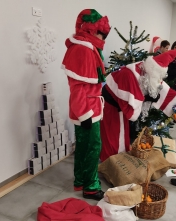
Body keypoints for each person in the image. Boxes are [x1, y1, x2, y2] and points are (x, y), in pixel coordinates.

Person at [100, 50, 176, 162]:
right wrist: (147, 98)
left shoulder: (148, 70)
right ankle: (110, 165)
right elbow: (131, 107)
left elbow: (163, 89)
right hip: (110, 107)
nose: (159, 80)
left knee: (122, 137)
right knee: (113, 139)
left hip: (120, 106)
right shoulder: (129, 75)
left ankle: (119, 161)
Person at [61, 9, 111, 201]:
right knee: (92, 147)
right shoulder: (83, 50)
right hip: (87, 110)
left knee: (83, 146)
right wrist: (86, 114)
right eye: (101, 33)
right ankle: (90, 187)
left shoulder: (88, 48)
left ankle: (81, 180)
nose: (102, 37)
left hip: (88, 108)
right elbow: (78, 88)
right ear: (91, 30)